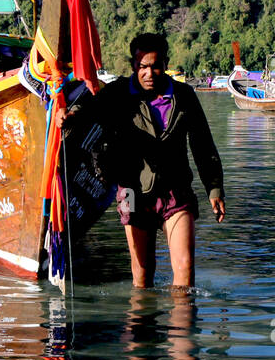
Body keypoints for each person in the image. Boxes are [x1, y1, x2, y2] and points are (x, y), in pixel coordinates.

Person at [66, 32, 225, 288]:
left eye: (155, 66)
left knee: (185, 274)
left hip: (176, 190)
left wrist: (214, 188)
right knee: (142, 275)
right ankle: (141, 325)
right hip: (132, 191)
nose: (149, 73)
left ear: (165, 64)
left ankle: (181, 327)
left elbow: (203, 144)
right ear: (134, 66)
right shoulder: (117, 93)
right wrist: (70, 115)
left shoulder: (183, 96)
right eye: (143, 67)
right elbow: (87, 111)